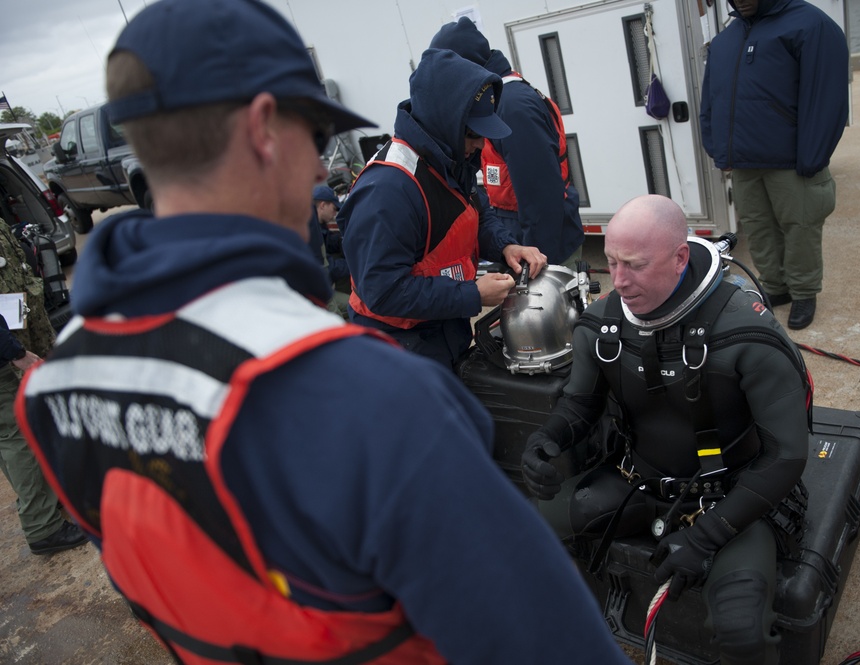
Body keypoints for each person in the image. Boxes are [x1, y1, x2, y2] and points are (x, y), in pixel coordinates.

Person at [14, 2, 634, 664]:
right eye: (314, 133)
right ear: (262, 130)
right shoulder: (379, 405)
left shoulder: (54, 392)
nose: (320, 171)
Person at [520, 194, 811, 665]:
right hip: (638, 478)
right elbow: (580, 403)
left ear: (680, 257)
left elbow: (788, 456)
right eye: (610, 262)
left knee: (740, 631)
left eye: (634, 265)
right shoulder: (605, 323)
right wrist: (545, 440)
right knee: (520, 534)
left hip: (733, 497)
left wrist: (705, 536)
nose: (617, 280)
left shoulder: (744, 334)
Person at [338, 47, 547, 370]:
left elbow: (476, 215)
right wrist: (472, 295)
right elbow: (382, 291)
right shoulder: (387, 191)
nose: (481, 145)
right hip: (399, 350)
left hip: (443, 331)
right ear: (445, 121)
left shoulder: (451, 159)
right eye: (474, 133)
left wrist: (507, 245)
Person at [699, 0, 849, 330]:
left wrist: (813, 154)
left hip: (791, 159)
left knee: (800, 225)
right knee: (757, 226)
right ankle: (777, 287)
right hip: (744, 161)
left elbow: (828, 97)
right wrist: (719, 149)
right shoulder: (726, 39)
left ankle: (804, 292)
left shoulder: (810, 25)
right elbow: (712, 97)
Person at [429, 17, 585, 268]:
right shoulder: (495, 98)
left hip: (543, 245)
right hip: (517, 232)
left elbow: (541, 200)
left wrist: (534, 269)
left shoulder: (512, 107)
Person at [0, 222, 86, 555]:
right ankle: (42, 526)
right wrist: (15, 352)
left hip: (16, 332)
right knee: (15, 437)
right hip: (7, 352)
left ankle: (48, 499)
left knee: (16, 434)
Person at [311, 183, 351, 317]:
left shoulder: (318, 225)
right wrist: (354, 265)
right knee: (354, 308)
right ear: (322, 205)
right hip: (318, 292)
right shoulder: (311, 229)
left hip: (321, 287)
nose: (335, 214)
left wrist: (342, 240)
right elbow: (327, 266)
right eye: (334, 209)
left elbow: (329, 242)